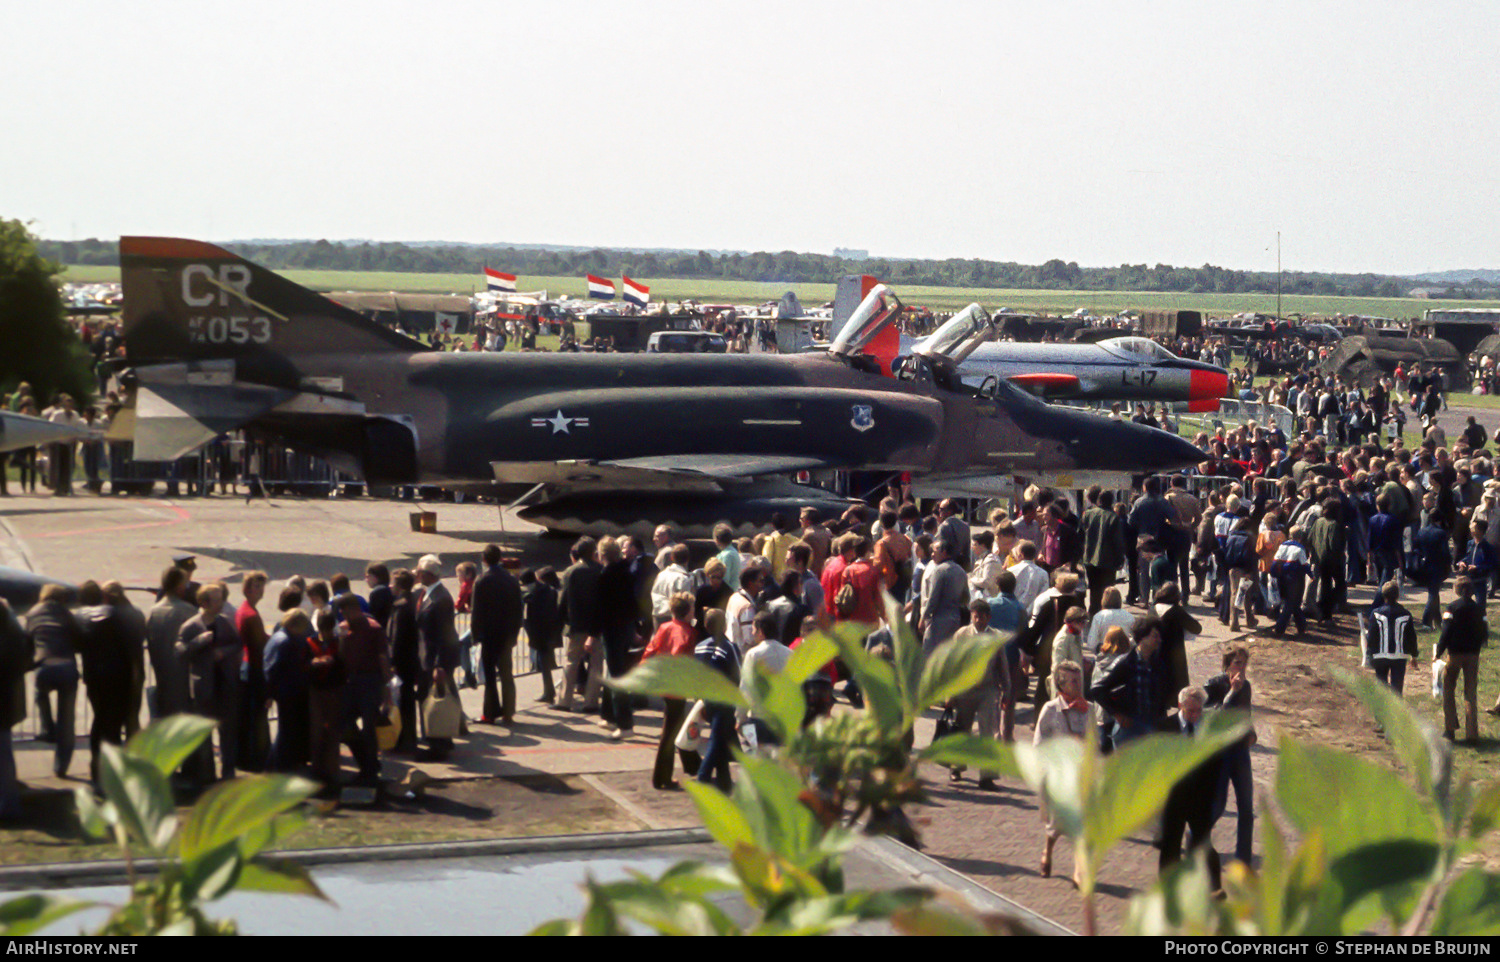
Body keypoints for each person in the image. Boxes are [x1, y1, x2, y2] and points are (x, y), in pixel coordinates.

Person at [1158, 686, 1223, 892]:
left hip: (1199, 799)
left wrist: (1211, 796)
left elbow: (1215, 766)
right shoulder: (1165, 728)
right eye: (1190, 711)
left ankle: (1215, 889)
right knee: (1170, 847)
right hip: (1173, 799)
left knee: (1204, 845)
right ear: (1180, 706)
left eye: (1198, 711)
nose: (1194, 715)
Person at [177, 584, 242, 785]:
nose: (221, 603)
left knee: (227, 732)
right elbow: (180, 651)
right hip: (204, 688)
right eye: (216, 600)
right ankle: (207, 776)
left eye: (221, 599)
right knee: (204, 735)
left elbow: (237, 643)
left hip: (224, 686)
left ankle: (228, 772)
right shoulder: (191, 626)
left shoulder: (224, 623)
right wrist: (198, 641)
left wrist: (224, 652)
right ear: (204, 603)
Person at [1033, 660, 1090, 880]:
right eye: (1073, 681)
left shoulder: (1089, 710)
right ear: (1061, 684)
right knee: (1056, 825)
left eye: (1079, 680)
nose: (1078, 684)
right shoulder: (1050, 710)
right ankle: (1048, 847)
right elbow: (1038, 745)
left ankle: (1079, 870)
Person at [945, 599, 1008, 787]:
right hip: (964, 690)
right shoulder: (962, 635)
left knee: (987, 733)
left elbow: (1002, 667)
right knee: (962, 730)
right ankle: (956, 767)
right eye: (975, 615)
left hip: (988, 691)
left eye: (981, 616)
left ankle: (987, 776)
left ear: (988, 618)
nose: (977, 619)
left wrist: (1006, 690)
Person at [641, 592, 701, 789]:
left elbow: (650, 652)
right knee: (671, 731)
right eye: (692, 607)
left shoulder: (665, 627)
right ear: (687, 611)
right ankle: (662, 777)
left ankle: (692, 766)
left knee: (676, 725)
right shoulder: (687, 632)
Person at [1090, 615, 1174, 749]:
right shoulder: (1126, 663)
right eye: (1155, 636)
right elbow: (1097, 690)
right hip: (1129, 728)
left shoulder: (1159, 663)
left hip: (1152, 725)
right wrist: (1117, 714)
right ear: (1142, 637)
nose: (1159, 640)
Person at [1204, 646, 1255, 866]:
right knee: (1218, 804)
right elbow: (1209, 719)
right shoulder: (1215, 684)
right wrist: (1231, 693)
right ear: (1226, 664)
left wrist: (1250, 732)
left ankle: (1243, 859)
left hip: (1240, 750)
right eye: (1236, 662)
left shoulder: (1247, 686)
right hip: (1220, 752)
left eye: (1243, 663)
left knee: (1246, 807)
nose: (1241, 668)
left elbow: (1246, 714)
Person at [336, 592, 392, 781]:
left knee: (370, 728)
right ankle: (366, 761)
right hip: (350, 683)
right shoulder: (344, 629)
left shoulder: (373, 629)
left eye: (345, 612)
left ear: (354, 609)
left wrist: (387, 691)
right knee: (344, 724)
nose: (344, 616)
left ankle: (369, 770)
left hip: (370, 682)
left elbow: (383, 659)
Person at [27, 584, 80, 778]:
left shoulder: (33, 613)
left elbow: (28, 641)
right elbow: (79, 638)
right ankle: (61, 767)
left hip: (45, 668)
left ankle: (47, 728)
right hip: (67, 669)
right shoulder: (67, 615)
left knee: (40, 693)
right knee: (67, 721)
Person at [471, 544, 523, 725]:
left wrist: (475, 635)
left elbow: (477, 612)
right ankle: (508, 712)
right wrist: (515, 633)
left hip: (489, 634)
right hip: (507, 633)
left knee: (490, 676)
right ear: (500, 558)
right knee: (507, 674)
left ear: (484, 560)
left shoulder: (482, 580)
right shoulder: (511, 579)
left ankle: (490, 713)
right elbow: (519, 608)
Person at [596, 536, 640, 738]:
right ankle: (608, 715)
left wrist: (592, 634)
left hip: (612, 630)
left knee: (616, 675)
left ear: (602, 555)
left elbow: (601, 609)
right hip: (626, 628)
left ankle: (625, 723)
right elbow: (633, 602)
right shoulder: (627, 571)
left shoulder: (605, 576)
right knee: (614, 671)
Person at [694, 609, 741, 790]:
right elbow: (738, 674)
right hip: (724, 700)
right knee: (716, 739)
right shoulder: (729, 647)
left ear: (706, 626)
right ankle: (703, 776)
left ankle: (724, 779)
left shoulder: (700, 647)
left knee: (720, 737)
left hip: (707, 698)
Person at [1436, 577, 1486, 743]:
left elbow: (1446, 632)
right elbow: (1484, 632)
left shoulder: (1452, 608)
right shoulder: (1479, 609)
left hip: (1455, 654)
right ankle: (1472, 734)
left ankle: (1450, 730)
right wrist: (1478, 646)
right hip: (1473, 655)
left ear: (1457, 590)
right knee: (1470, 694)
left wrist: (1439, 651)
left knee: (1449, 689)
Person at [264, 610, 313, 772]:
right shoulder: (285, 642)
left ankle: (275, 766)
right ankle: (278, 767)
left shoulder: (278, 636)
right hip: (288, 693)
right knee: (286, 733)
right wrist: (270, 694)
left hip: (285, 692)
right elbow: (273, 670)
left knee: (285, 731)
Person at [557, 537, 601, 713]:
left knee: (571, 662)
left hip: (576, 623)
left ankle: (564, 700)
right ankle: (591, 702)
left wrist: (561, 620)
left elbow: (563, 598)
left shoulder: (571, 571)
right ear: (593, 552)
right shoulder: (600, 570)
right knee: (596, 664)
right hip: (596, 624)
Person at [235, 572, 271, 772]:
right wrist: (266, 684)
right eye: (257, 586)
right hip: (254, 669)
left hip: (246, 666)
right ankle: (257, 759)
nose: (261, 589)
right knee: (257, 717)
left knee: (248, 716)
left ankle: (247, 757)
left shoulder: (244, 610)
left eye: (262, 585)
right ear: (247, 589)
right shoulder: (250, 615)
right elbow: (258, 651)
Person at [739, 610, 791, 750]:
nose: (752, 633)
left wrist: (740, 718)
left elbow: (745, 688)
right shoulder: (790, 653)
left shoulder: (753, 654)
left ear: (761, 632)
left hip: (759, 719)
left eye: (754, 629)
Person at [1366, 580, 1419, 698]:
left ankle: (1380, 714)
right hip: (1399, 657)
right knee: (1397, 690)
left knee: (1381, 688)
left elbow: (1371, 637)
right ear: (1398, 595)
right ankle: (1396, 714)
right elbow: (1411, 637)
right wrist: (1414, 655)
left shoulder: (1375, 613)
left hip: (1380, 655)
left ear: (1383, 595)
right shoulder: (1405, 613)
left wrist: (1369, 655)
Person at [919, 539, 968, 656]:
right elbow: (966, 598)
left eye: (934, 551)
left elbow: (933, 598)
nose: (931, 554)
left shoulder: (939, 570)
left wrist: (923, 618)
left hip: (938, 620)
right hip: (955, 619)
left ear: (944, 552)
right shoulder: (961, 571)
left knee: (929, 655)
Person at [522, 567, 562, 705]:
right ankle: (549, 691)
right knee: (545, 665)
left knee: (544, 665)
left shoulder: (534, 595)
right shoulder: (548, 590)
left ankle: (549, 693)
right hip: (549, 632)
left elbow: (532, 617)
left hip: (541, 634)